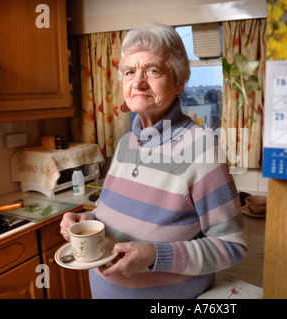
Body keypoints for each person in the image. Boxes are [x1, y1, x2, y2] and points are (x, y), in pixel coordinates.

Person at [60, 23, 248, 299]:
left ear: (180, 82)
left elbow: (233, 246)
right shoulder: (126, 143)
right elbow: (109, 214)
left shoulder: (202, 149)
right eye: (129, 72)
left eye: (153, 70)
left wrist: (155, 255)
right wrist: (85, 221)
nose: (138, 82)